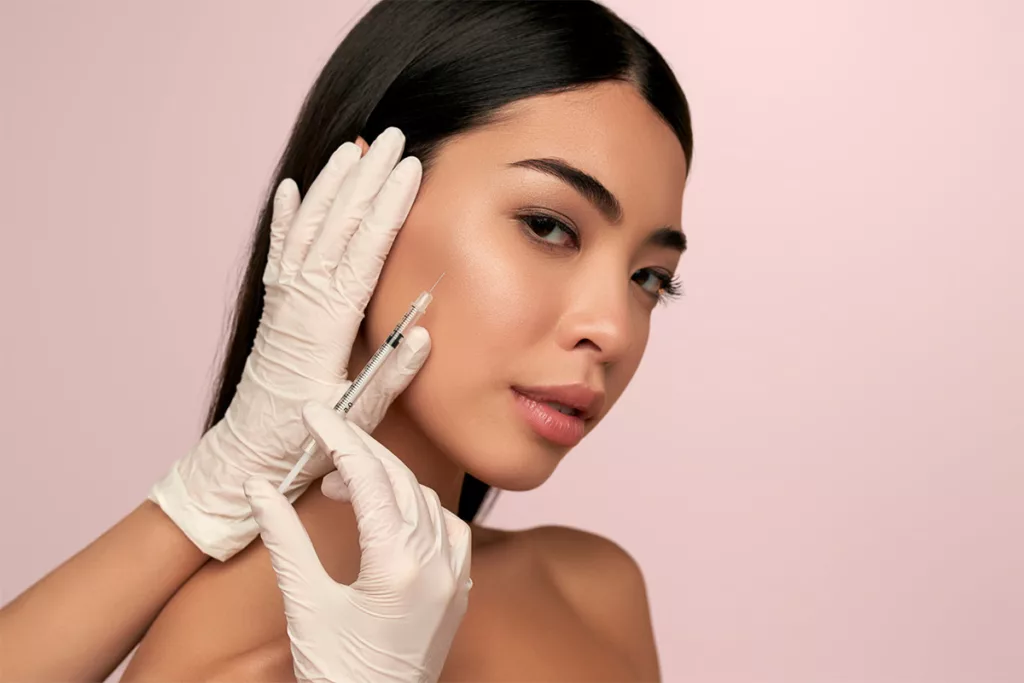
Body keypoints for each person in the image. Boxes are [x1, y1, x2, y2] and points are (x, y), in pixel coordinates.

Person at [0, 1, 692, 680]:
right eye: (547, 225)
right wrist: (209, 492)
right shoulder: (226, 664)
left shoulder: (594, 593)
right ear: (360, 198)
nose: (612, 328)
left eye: (650, 277)